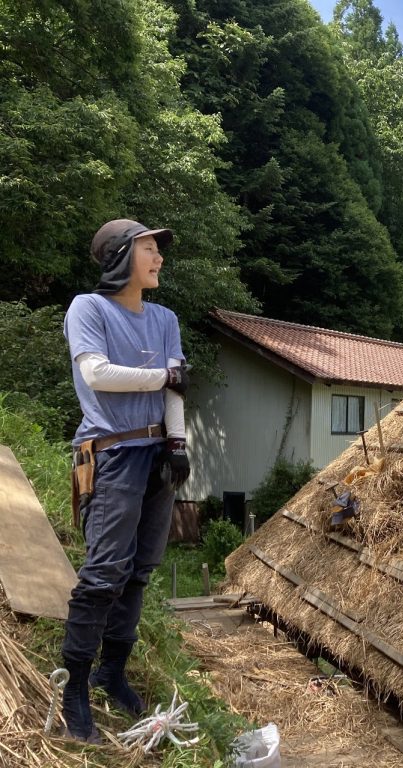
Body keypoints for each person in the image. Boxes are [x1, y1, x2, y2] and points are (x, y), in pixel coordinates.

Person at [61, 219, 191, 741]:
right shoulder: (87, 309)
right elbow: (97, 374)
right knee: (104, 573)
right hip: (112, 452)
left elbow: (177, 391)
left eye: (159, 249)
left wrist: (178, 445)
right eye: (148, 248)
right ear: (119, 255)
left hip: (159, 452)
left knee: (139, 570)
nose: (158, 257)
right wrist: (164, 376)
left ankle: (111, 673)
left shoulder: (165, 318)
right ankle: (74, 690)